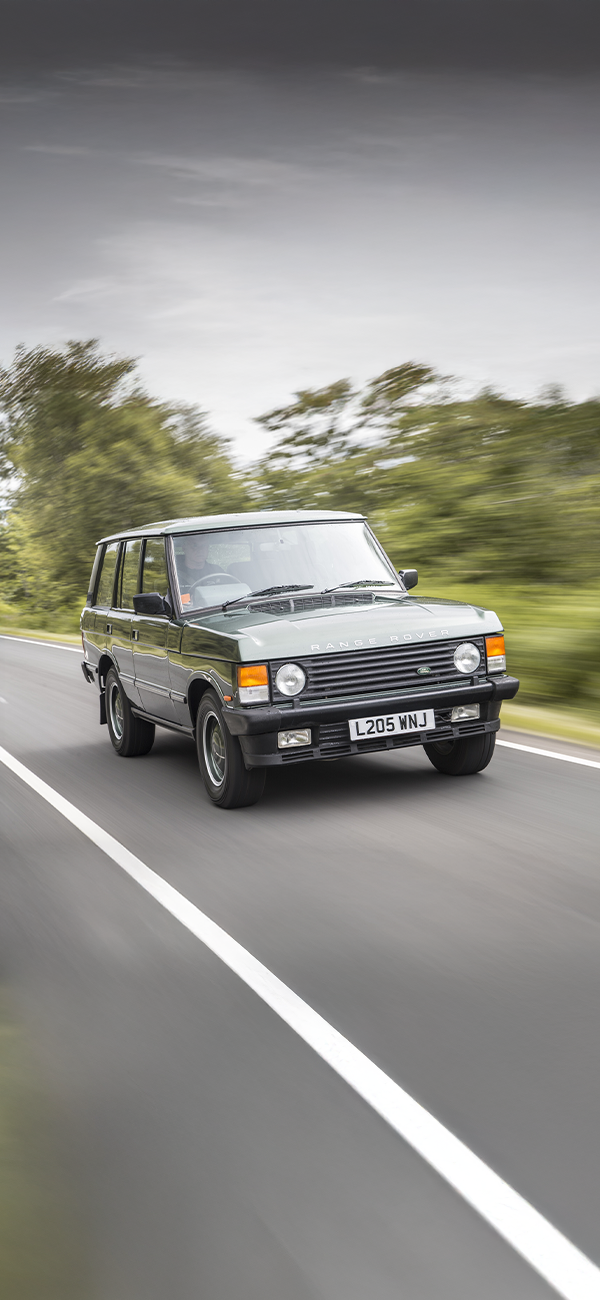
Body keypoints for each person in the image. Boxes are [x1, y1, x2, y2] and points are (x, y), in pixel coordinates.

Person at [176, 534, 224, 604]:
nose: (200, 550)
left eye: (204, 545)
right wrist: (181, 603)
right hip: (188, 613)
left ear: (208, 547)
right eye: (194, 546)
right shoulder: (174, 574)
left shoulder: (218, 572)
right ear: (184, 548)